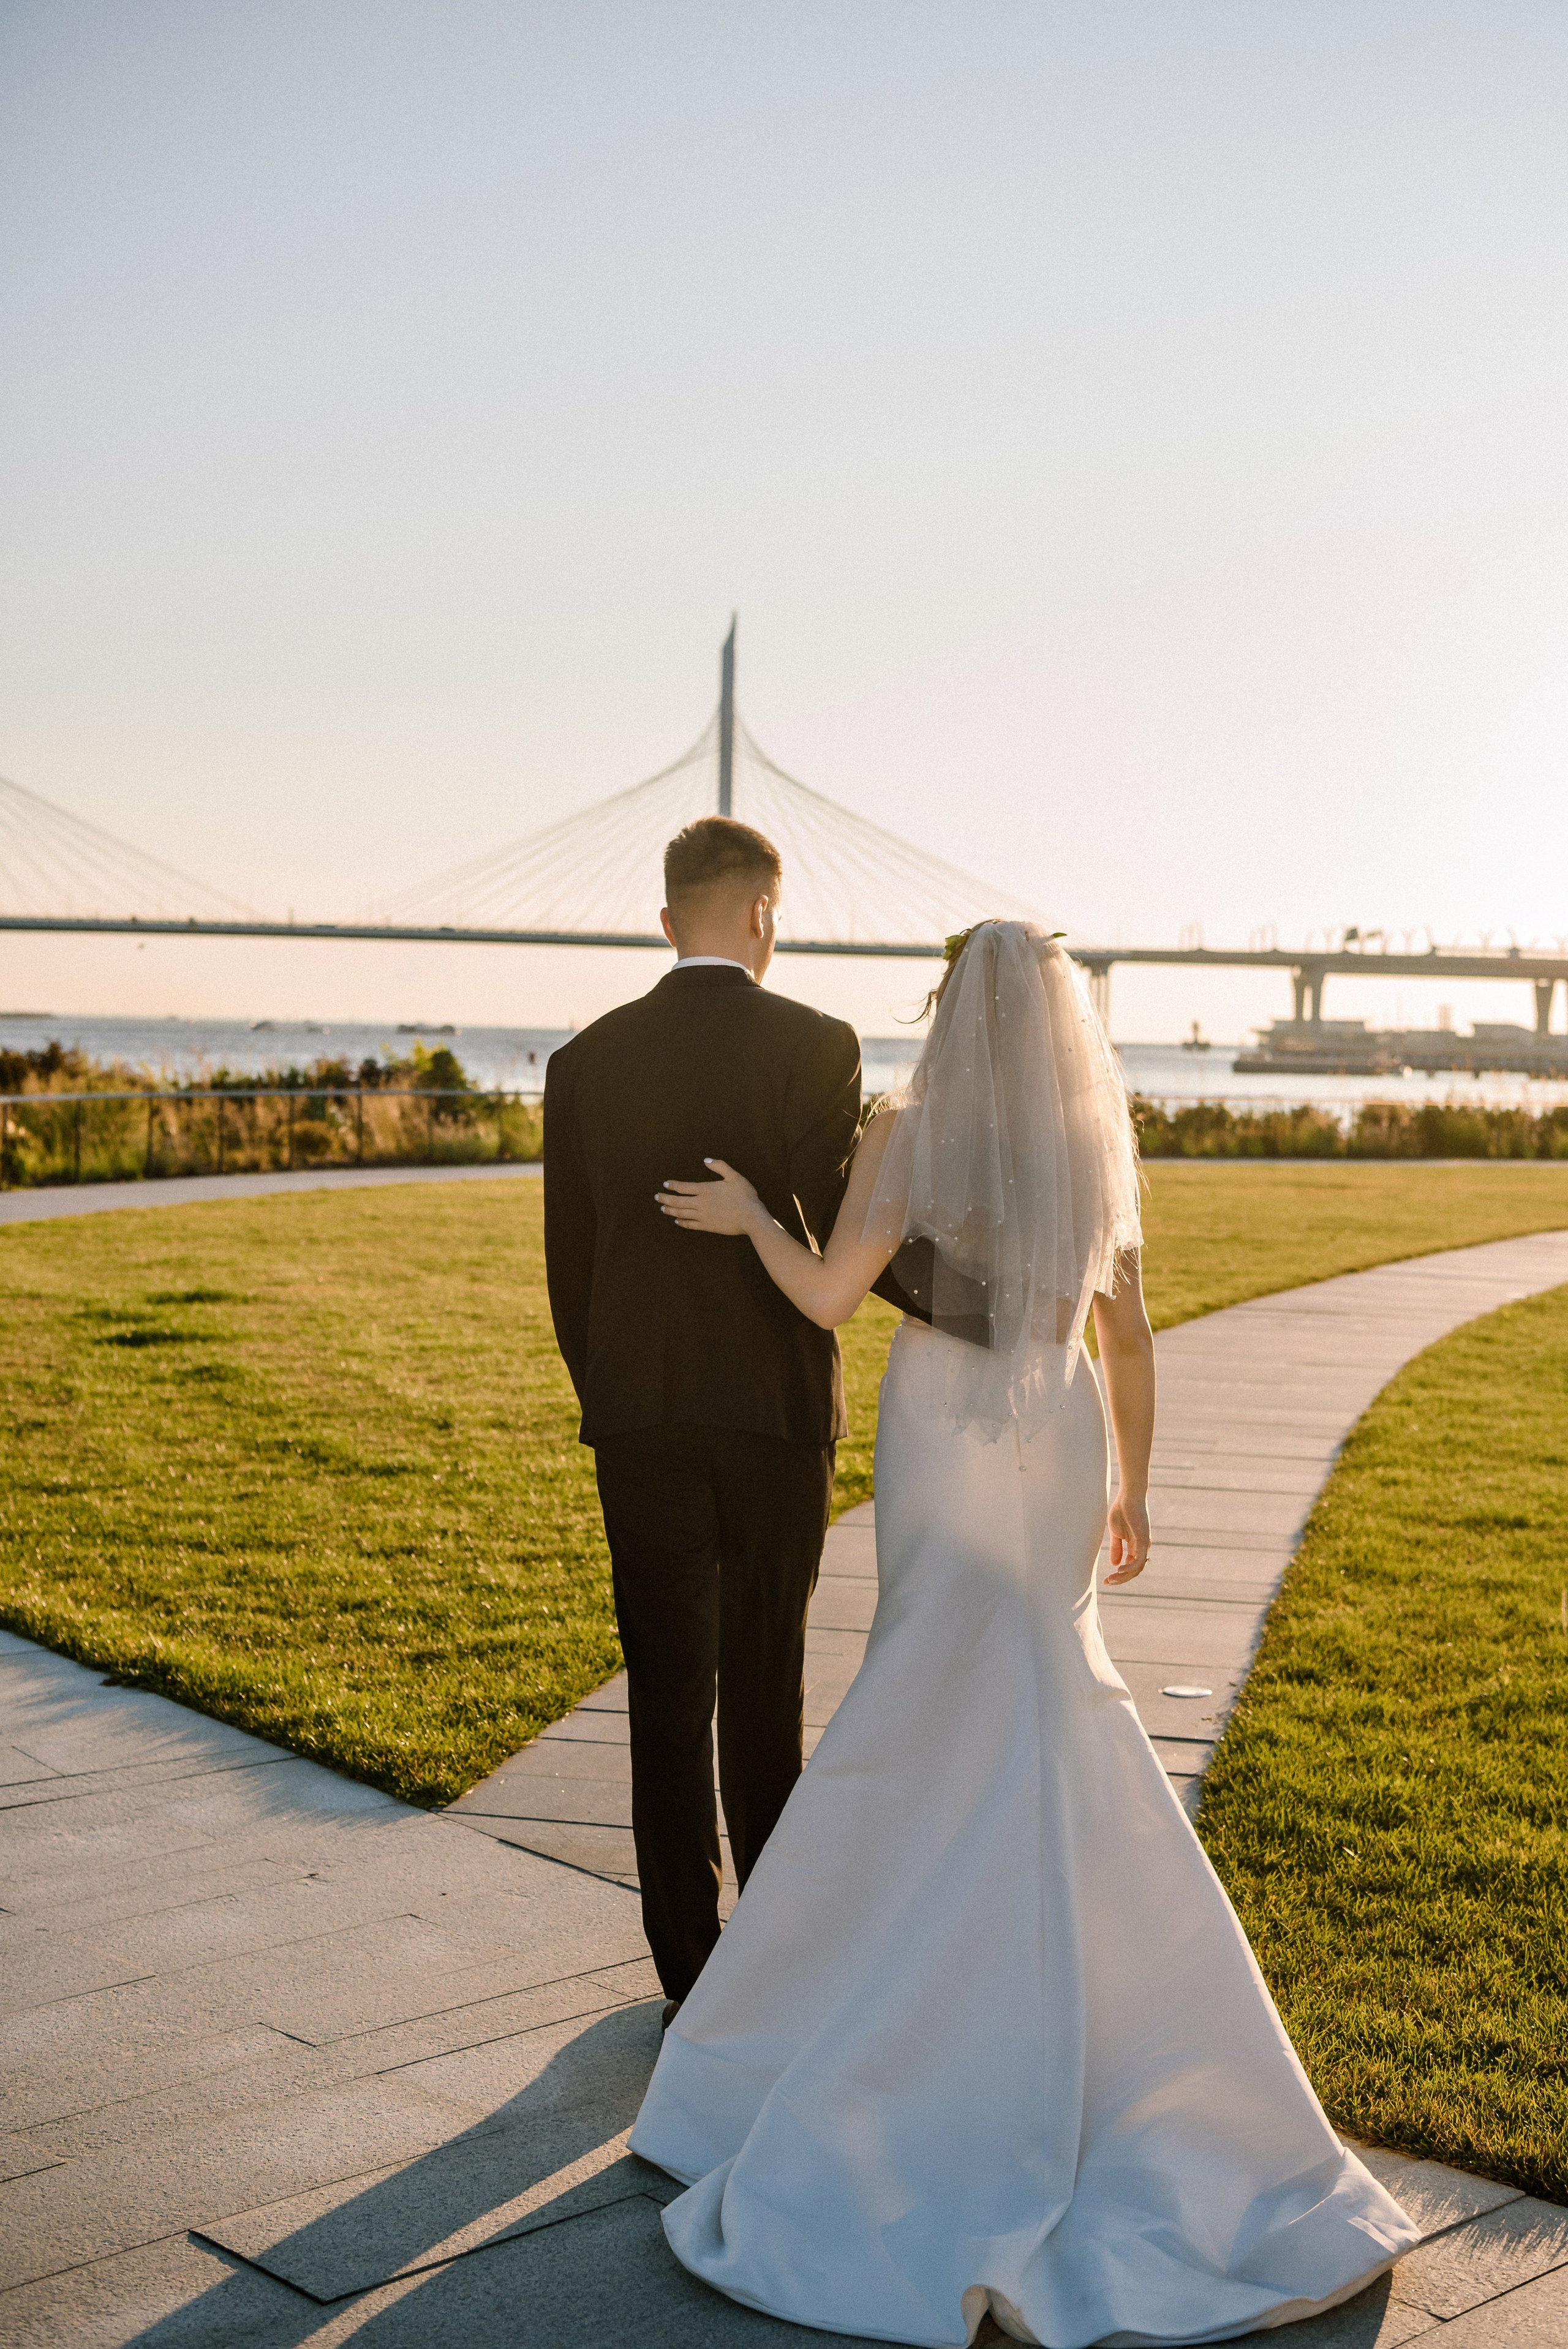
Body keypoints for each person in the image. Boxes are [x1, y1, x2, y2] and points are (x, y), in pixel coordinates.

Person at [631, 921, 1417, 2348]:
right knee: (1057, 1687)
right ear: (1064, 1025)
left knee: (920, 1686)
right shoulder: (1084, 1134)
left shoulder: (904, 1125)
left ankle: (861, 1999)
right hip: (1053, 1437)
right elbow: (1126, 1337)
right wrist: (1134, 1486)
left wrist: (754, 1216)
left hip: (938, 1432)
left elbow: (824, 1296)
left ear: (948, 1009)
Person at [543, 815, 862, 2022]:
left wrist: (615, 1391)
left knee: (665, 1686)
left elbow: (568, 1272)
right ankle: (773, 1965)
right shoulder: (815, 1045)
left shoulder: (584, 1063)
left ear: (666, 920)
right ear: (764, 918)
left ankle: (689, 1965)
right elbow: (840, 1234)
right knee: (763, 1680)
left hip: (635, 1415)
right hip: (775, 1413)